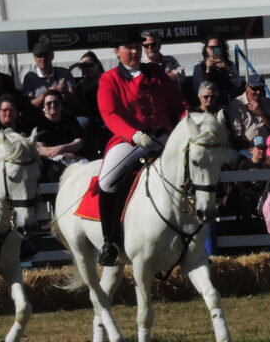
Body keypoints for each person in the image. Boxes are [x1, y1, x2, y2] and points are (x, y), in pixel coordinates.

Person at [95, 33, 185, 266]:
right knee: (106, 180)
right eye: (129, 48)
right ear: (117, 51)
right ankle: (109, 242)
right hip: (129, 140)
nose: (135, 52)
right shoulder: (109, 78)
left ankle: (193, 235)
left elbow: (177, 104)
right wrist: (133, 134)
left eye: (137, 47)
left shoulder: (155, 73)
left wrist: (189, 123)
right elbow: (109, 114)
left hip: (162, 137)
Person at [226, 74, 270, 149]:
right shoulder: (236, 104)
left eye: (261, 88)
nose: (258, 92)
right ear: (246, 87)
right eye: (255, 88)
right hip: (247, 149)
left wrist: (262, 113)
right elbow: (237, 136)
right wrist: (254, 149)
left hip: (268, 147)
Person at [34, 90, 86, 171]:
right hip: (50, 162)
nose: (52, 105)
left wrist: (61, 148)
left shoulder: (70, 119)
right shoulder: (39, 123)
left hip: (73, 158)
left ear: (61, 104)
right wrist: (62, 154)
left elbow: (79, 142)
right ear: (44, 106)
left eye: (56, 102)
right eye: (48, 103)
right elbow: (40, 148)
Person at [21, 42, 75, 115]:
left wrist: (66, 92)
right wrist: (47, 93)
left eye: (46, 55)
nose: (43, 59)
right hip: (40, 117)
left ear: (52, 56)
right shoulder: (29, 77)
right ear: (34, 58)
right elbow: (29, 106)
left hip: (63, 115)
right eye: (39, 56)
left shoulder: (65, 73)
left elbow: (75, 102)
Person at [191, 35, 242, 99]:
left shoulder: (230, 64)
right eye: (211, 47)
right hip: (209, 101)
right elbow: (196, 88)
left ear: (222, 48)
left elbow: (238, 84)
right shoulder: (199, 66)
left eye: (218, 47)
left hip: (227, 100)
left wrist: (228, 70)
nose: (214, 50)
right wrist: (207, 70)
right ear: (207, 49)